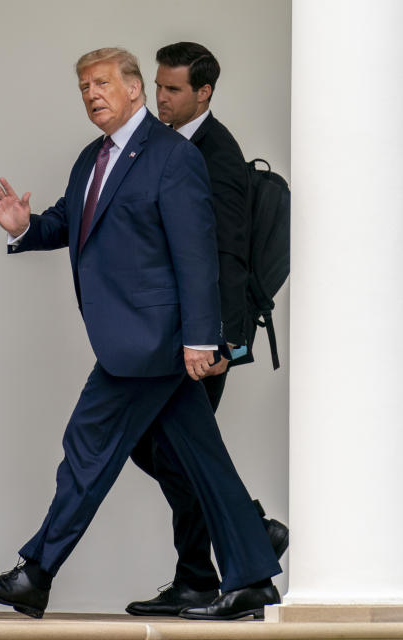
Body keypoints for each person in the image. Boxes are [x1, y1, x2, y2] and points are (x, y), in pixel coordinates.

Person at [0, 47, 281, 621]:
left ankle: (36, 574)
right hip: (135, 341)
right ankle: (252, 573)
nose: (92, 94)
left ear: (135, 89)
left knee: (87, 449)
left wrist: (203, 338)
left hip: (153, 342)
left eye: (102, 83)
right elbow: (71, 219)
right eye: (83, 87)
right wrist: (26, 226)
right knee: (202, 462)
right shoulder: (92, 157)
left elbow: (197, 254)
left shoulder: (172, 156)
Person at [125, 42, 290, 618]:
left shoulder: (215, 155)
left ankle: (210, 566)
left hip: (206, 340)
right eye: (159, 86)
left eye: (172, 90)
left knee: (174, 444)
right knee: (164, 446)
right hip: (171, 335)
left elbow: (227, 258)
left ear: (204, 93)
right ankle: (211, 562)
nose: (160, 98)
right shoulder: (167, 145)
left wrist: (223, 342)